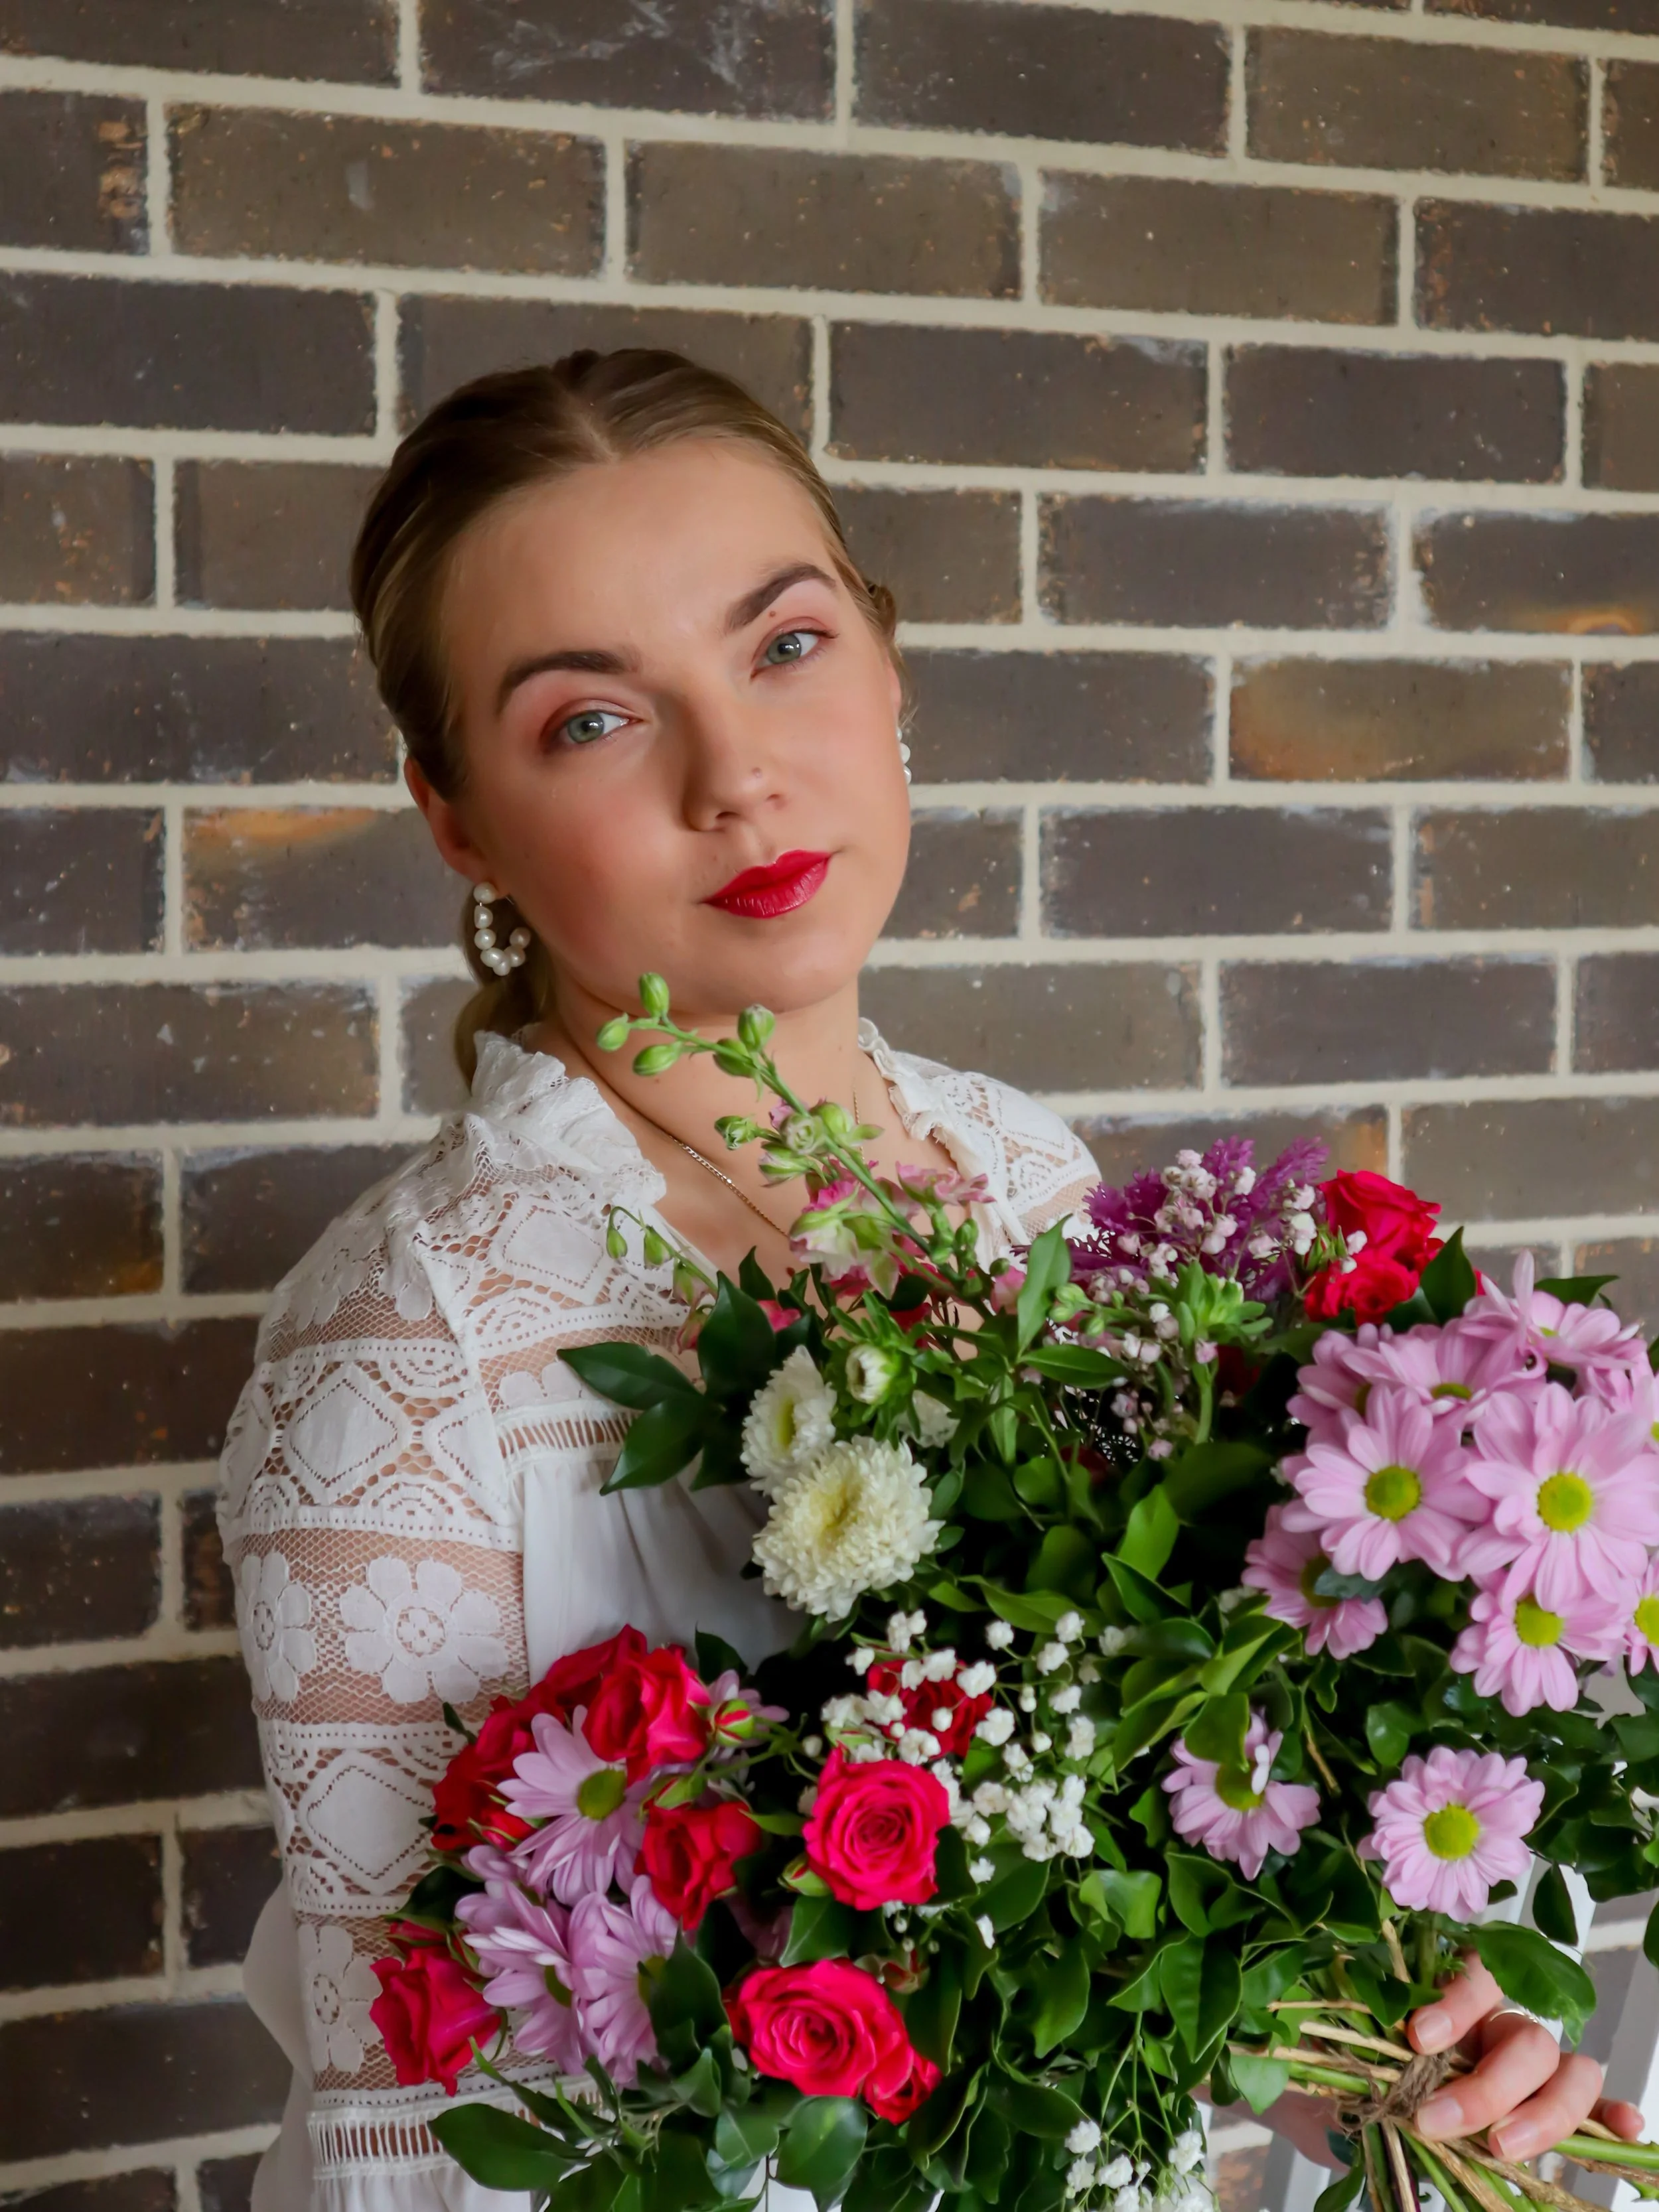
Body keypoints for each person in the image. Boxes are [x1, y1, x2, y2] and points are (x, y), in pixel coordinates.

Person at [217, 350, 1641, 2211]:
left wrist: (1348, 2034)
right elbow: (422, 2142)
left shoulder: (1024, 1182)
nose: (737, 773)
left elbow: (1132, 1906)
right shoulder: (403, 1353)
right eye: (589, 720)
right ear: (456, 815)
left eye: (783, 645)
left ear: (886, 667)